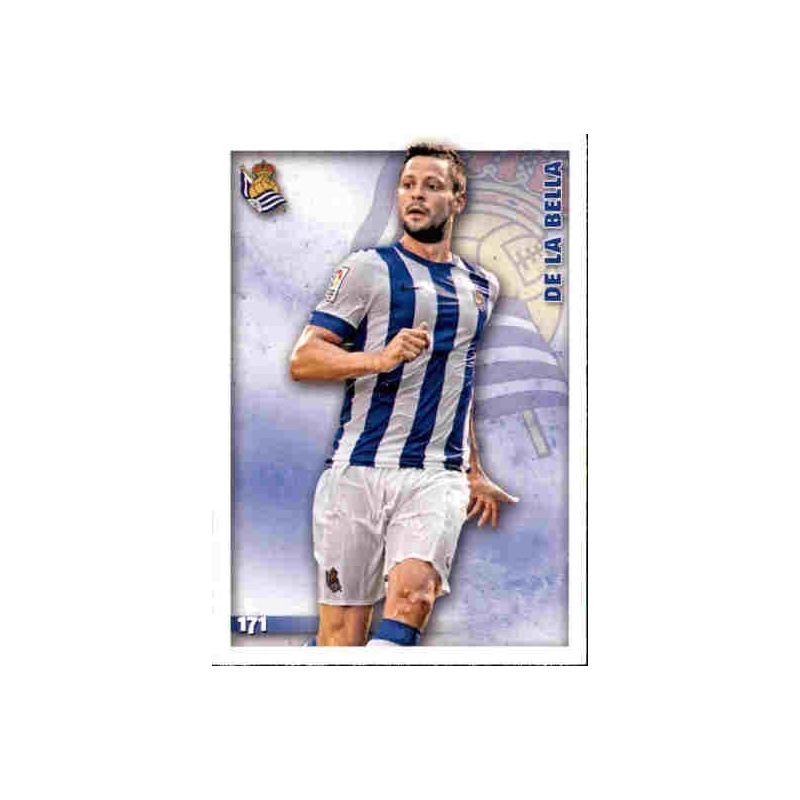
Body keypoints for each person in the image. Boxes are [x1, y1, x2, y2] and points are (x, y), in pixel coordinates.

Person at [289, 143, 518, 646]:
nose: (416, 195)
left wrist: (474, 470)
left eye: (432, 186)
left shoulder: (482, 286)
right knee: (340, 639)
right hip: (357, 471)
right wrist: (379, 358)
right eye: (408, 185)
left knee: (414, 597)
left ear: (457, 199)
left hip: (435, 475)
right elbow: (304, 359)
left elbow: (459, 379)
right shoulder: (367, 269)